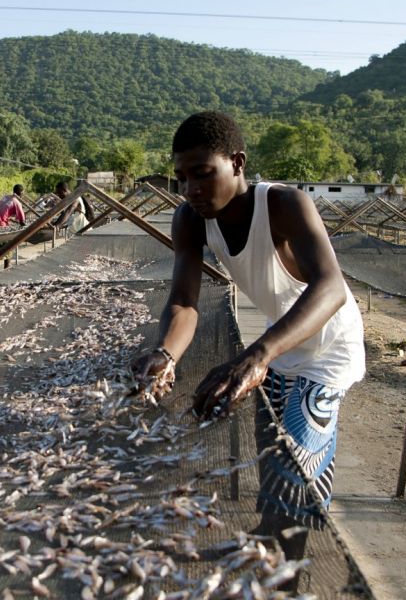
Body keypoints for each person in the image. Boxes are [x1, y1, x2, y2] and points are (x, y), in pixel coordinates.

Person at [129, 111, 365, 557]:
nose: (191, 189)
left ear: (236, 163)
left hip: (328, 346)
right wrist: (166, 353)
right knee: (270, 456)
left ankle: (289, 572)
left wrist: (257, 355)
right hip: (279, 346)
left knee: (294, 466)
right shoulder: (190, 220)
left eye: (202, 174)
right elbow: (183, 302)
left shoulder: (283, 204)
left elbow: (331, 286)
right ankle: (265, 540)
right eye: (181, 178)